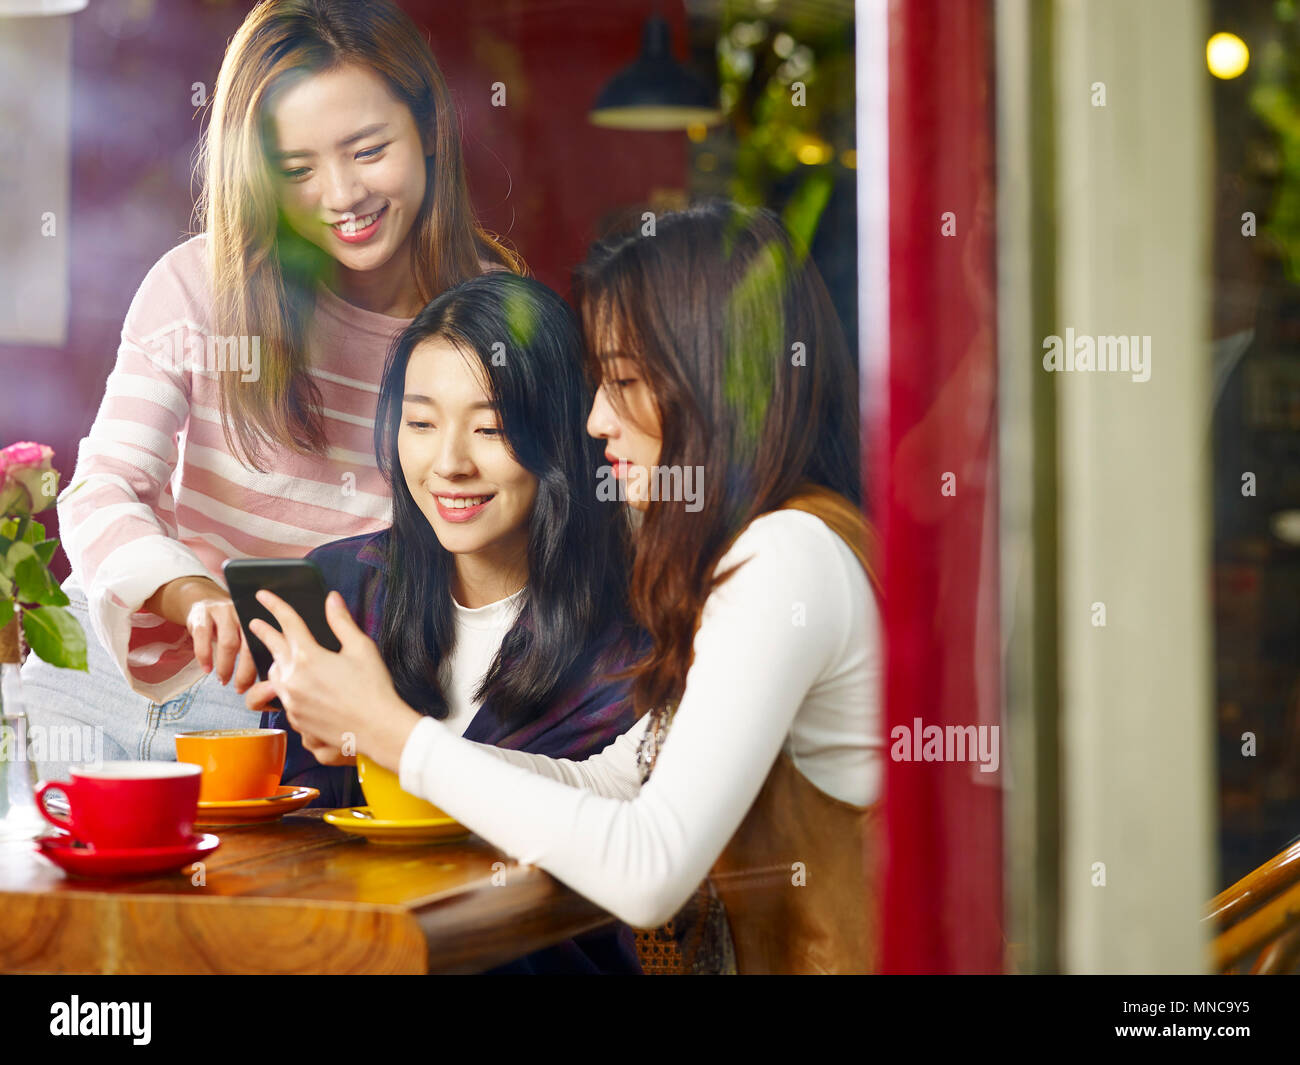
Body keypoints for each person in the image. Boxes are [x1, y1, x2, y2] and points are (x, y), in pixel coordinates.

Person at [247, 202, 882, 975]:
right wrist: (384, 743)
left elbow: (648, 870)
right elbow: (613, 780)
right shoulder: (777, 548)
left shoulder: (785, 557)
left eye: (621, 381)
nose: (594, 419)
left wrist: (393, 735)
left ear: (707, 385)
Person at [23, 0, 519, 773]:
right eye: (297, 169)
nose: (341, 193)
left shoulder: (492, 323)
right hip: (93, 686)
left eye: (367, 149)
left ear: (426, 128)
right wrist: (192, 591)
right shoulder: (197, 286)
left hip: (290, 725)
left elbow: (514, 557)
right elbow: (102, 491)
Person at [253, 272, 642, 812]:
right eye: (421, 423)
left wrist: (385, 739)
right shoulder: (339, 590)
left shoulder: (634, 641)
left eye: (491, 428)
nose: (449, 465)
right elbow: (296, 819)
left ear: (563, 432)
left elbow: (611, 825)